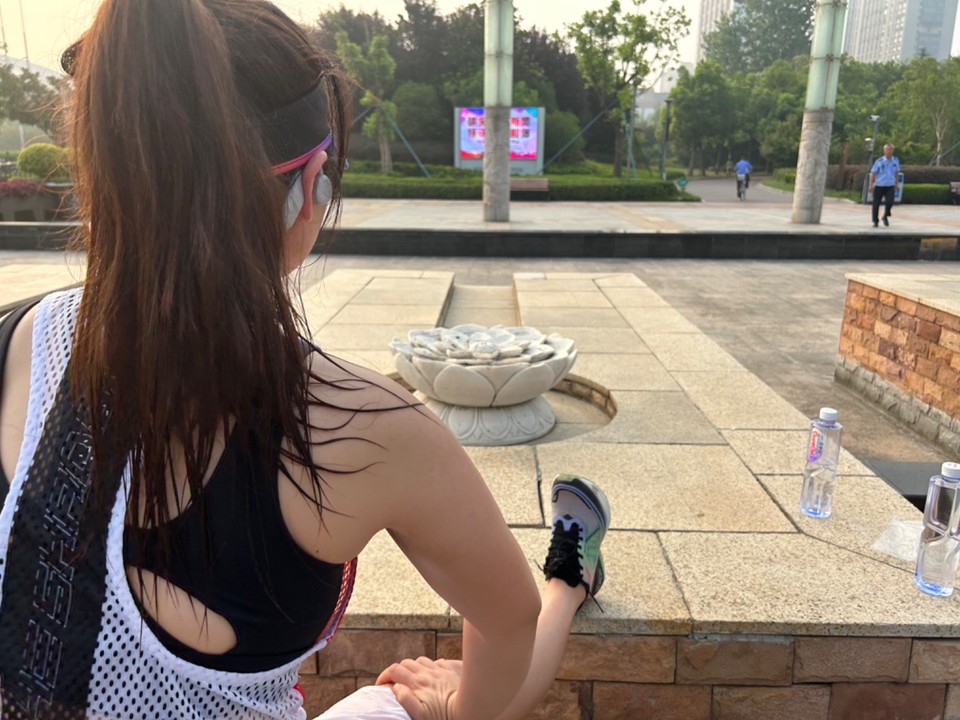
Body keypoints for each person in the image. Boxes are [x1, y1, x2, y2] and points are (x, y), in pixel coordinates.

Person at [0, 1, 611, 719]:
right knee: (425, 699)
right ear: (311, 184)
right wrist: (454, 706)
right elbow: (508, 625)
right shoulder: (363, 429)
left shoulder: (15, 341)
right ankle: (570, 576)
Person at [869, 143, 901, 227]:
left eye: (891, 149)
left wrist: (896, 183)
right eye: (887, 149)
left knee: (890, 202)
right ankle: (875, 221)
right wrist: (870, 185)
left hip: (890, 185)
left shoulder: (895, 161)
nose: (889, 151)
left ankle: (885, 216)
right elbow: (873, 173)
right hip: (879, 185)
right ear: (884, 151)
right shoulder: (879, 161)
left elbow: (896, 173)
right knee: (876, 204)